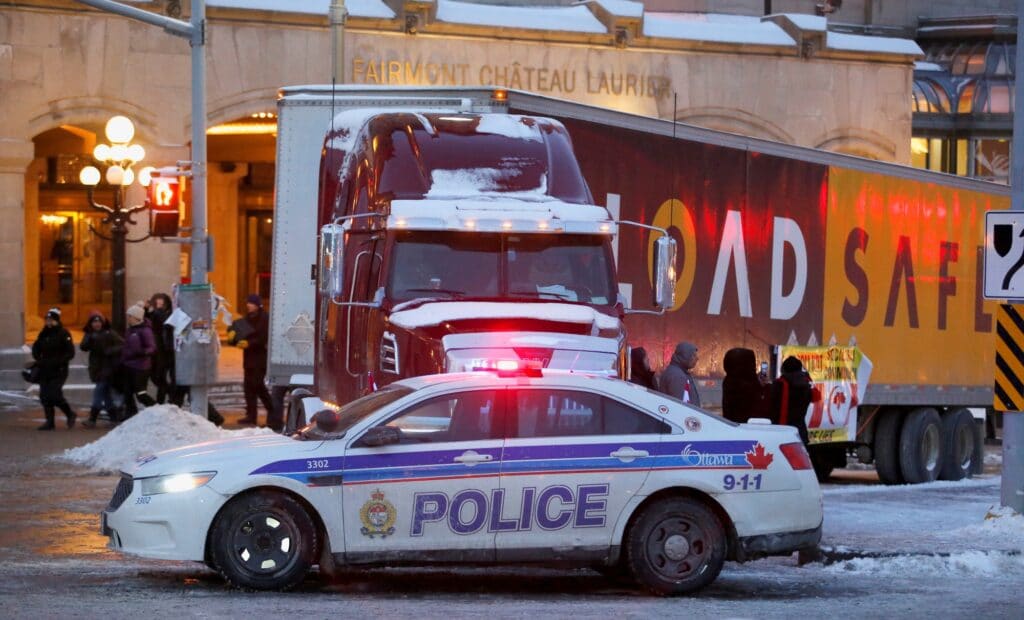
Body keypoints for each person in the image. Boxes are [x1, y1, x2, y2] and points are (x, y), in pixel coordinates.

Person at [232, 294, 277, 429]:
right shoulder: (246, 319)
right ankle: (251, 416)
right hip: (248, 359)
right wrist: (233, 338)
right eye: (248, 303)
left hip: (260, 358)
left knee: (258, 385)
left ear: (257, 305)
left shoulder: (264, 318)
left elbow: (263, 338)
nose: (248, 305)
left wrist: (249, 343)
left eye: (251, 303)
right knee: (248, 388)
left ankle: (273, 411)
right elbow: (239, 334)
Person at [32, 308, 78, 430]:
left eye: (51, 320)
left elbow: (70, 353)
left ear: (56, 321)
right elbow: (36, 347)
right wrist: (38, 358)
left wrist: (58, 361)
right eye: (47, 320)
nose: (48, 322)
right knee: (44, 396)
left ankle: (70, 414)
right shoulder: (43, 333)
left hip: (59, 370)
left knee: (55, 394)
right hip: (45, 369)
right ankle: (50, 422)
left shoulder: (63, 333)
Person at [79, 311, 124, 428]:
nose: (97, 324)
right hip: (96, 368)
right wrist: (89, 336)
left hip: (108, 368)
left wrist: (110, 351)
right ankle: (114, 418)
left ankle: (92, 418)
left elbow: (122, 345)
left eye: (99, 321)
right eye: (94, 322)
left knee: (98, 392)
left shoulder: (110, 333)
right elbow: (83, 347)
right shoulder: (90, 334)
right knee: (106, 396)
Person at [120, 302, 157, 419]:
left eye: (130, 316)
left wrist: (141, 353)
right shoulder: (130, 330)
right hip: (128, 365)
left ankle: (157, 410)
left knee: (140, 393)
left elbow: (151, 347)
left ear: (136, 317)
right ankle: (130, 414)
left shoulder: (145, 331)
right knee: (127, 392)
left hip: (141, 367)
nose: (128, 319)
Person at [770, 356, 814, 445]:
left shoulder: (779, 385)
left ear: (783, 369)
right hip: (800, 432)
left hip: (781, 433)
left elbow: (771, 407)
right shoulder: (806, 385)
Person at [721, 348, 770, 424]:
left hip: (731, 426)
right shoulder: (745, 384)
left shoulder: (729, 379)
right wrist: (763, 386)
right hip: (748, 428)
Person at [145, 293, 174, 404]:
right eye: (157, 302)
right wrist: (145, 309)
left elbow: (162, 321)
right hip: (157, 351)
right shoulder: (153, 314)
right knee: (158, 378)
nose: (159, 305)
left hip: (166, 351)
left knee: (161, 378)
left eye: (161, 303)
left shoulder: (168, 314)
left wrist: (153, 311)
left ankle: (164, 400)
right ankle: (166, 397)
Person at [658, 341, 701, 406]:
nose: (697, 358)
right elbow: (681, 407)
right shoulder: (677, 376)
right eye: (693, 355)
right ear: (685, 356)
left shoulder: (677, 372)